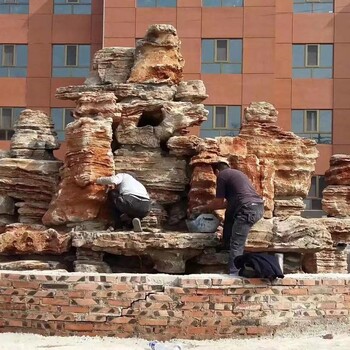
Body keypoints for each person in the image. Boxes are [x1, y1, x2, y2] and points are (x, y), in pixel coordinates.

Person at [193, 161, 264, 276]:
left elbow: (218, 202)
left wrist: (203, 208)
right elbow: (228, 204)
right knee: (230, 215)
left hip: (247, 209)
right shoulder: (237, 174)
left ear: (216, 171)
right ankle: (225, 247)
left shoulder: (222, 175)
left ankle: (234, 274)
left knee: (237, 243)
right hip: (256, 207)